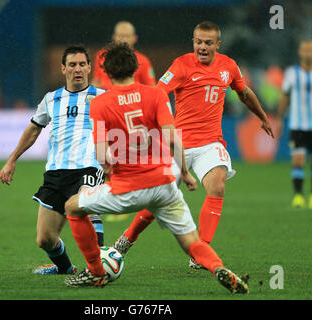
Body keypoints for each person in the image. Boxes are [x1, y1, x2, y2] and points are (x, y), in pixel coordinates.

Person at [63, 43, 249, 294]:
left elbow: (101, 154)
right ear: (136, 67)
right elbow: (173, 138)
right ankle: (217, 268)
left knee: (73, 207)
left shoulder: (100, 103)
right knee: (191, 242)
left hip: (126, 189)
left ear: (105, 71)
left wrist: (109, 170)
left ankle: (96, 272)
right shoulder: (156, 95)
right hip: (163, 184)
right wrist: (184, 172)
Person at [113, 21, 274, 270]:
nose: (202, 47)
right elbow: (158, 93)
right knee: (156, 200)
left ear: (217, 45)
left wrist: (262, 116)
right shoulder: (181, 65)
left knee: (217, 184)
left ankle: (201, 251)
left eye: (208, 43)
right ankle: (127, 239)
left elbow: (243, 93)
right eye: (198, 42)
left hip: (211, 143)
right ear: (193, 42)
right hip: (179, 146)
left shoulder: (229, 66)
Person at [0, 45, 106, 275]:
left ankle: (100, 268)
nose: (78, 69)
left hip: (89, 165)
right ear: (63, 68)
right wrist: (12, 159)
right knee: (45, 239)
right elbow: (33, 130)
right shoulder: (51, 99)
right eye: (72, 65)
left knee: (87, 205)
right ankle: (67, 269)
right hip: (56, 172)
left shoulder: (103, 97)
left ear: (89, 67)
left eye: (82, 64)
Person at [276, 39, 312, 209]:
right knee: (298, 159)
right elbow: (285, 96)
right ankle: (299, 196)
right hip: (297, 124)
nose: (308, 53)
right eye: (305, 50)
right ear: (300, 52)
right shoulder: (292, 73)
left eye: (311, 50)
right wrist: (279, 119)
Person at [91, 21, 155, 90]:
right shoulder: (102, 56)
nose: (124, 40)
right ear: (114, 37)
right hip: (106, 97)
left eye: (127, 36)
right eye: (120, 36)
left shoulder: (143, 60)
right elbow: (96, 80)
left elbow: (151, 86)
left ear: (135, 38)